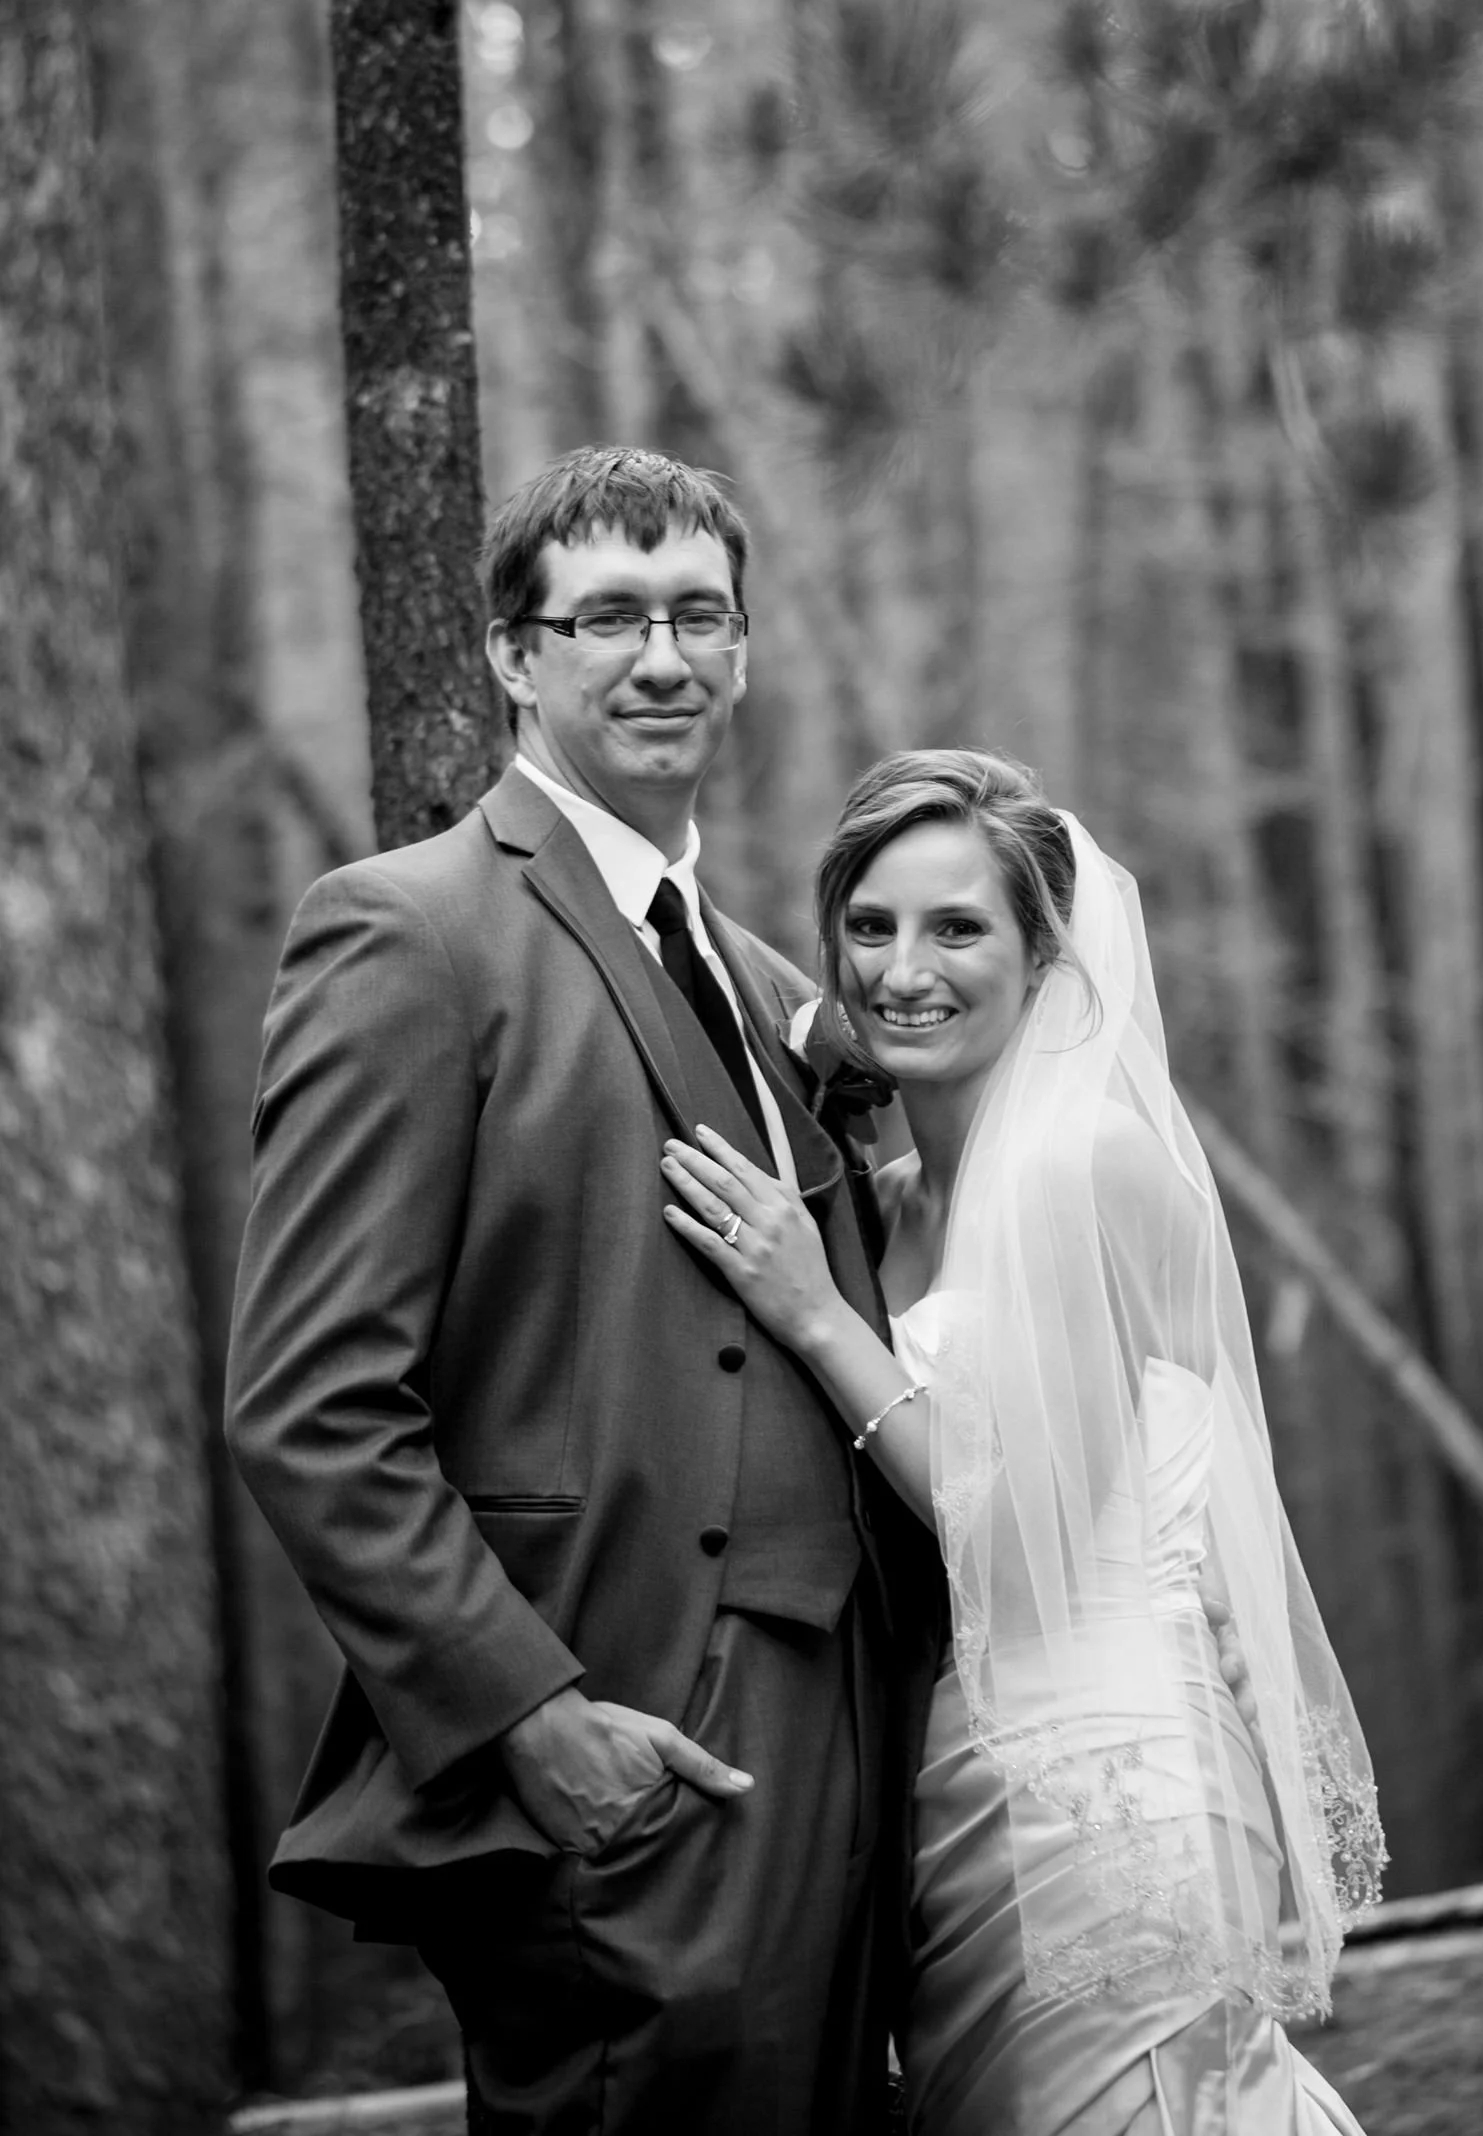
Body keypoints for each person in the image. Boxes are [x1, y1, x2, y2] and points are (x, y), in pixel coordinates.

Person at [225, 447, 930, 2136]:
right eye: (609, 617)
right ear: (512, 654)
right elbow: (311, 1407)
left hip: (847, 1740)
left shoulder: (757, 980)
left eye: (699, 615)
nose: (663, 658)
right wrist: (529, 1719)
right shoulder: (407, 935)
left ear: (744, 648)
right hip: (625, 1742)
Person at [661, 749, 1386, 2133]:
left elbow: (1010, 1530)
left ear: (1043, 953)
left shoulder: (1085, 1165)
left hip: (1112, 1788)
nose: (903, 971)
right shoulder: (882, 1203)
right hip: (953, 1789)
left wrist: (816, 1316)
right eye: (870, 926)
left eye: (957, 928)